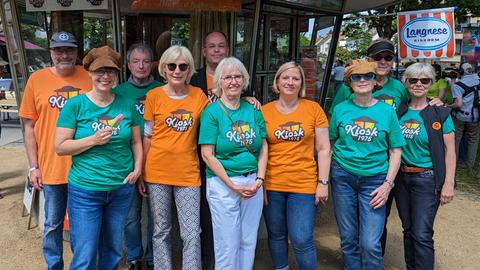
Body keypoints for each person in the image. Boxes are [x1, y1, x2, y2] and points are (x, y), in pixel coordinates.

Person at [55, 45, 143, 269]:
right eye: (100, 71)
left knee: (113, 249)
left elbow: (135, 141)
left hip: (120, 188)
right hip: (86, 190)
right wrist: (93, 140)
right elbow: (60, 147)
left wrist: (138, 169)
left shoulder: (126, 104)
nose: (106, 76)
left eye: (111, 71)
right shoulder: (75, 106)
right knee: (85, 251)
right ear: (90, 73)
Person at [18, 31, 91, 270]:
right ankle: (54, 266)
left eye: (69, 49)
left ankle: (80, 265)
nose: (64, 55)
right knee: (52, 224)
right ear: (51, 52)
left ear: (76, 52)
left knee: (82, 226)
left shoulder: (89, 77)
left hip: (84, 167)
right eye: (59, 50)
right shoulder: (36, 80)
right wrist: (33, 166)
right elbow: (29, 127)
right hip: (51, 168)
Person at [190, 30, 260, 270]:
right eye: (228, 77)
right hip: (217, 175)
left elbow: (263, 146)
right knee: (225, 241)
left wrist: (259, 179)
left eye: (237, 77)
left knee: (247, 240)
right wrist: (231, 184)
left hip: (251, 181)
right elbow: (206, 152)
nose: (233, 81)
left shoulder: (251, 106)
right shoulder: (199, 89)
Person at [329, 59, 405, 269]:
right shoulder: (341, 109)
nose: (362, 80)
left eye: (368, 76)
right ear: (349, 82)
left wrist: (387, 185)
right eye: (356, 77)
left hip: (375, 181)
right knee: (348, 238)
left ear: (374, 82)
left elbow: (396, 150)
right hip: (343, 177)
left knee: (370, 243)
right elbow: (332, 141)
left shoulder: (387, 111)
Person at [141, 45, 208, 270]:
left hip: (188, 173)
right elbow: (147, 137)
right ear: (164, 68)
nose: (177, 70)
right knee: (161, 230)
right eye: (172, 65)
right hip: (157, 172)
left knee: (191, 232)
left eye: (182, 66)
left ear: (189, 70)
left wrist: (247, 100)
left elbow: (220, 113)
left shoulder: (199, 96)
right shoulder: (153, 96)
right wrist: (141, 172)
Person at [262, 62, 330, 270]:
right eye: (285, 78)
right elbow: (260, 150)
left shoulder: (313, 109)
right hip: (272, 185)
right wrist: (260, 181)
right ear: (277, 81)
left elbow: (324, 149)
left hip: (303, 185)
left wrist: (323, 183)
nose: (290, 82)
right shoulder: (263, 112)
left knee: (301, 238)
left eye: (295, 78)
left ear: (301, 83)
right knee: (276, 234)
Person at [395, 63, 455, 270]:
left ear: (431, 83)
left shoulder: (440, 113)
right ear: (406, 83)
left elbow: (450, 151)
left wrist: (448, 184)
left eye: (425, 80)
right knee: (408, 229)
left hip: (427, 180)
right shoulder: (399, 111)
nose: (419, 84)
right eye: (413, 80)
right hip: (401, 179)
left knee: (421, 233)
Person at [113, 42, 162, 270]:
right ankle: (134, 256)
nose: (141, 66)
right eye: (136, 61)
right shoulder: (118, 92)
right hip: (127, 164)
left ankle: (153, 258)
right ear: (128, 65)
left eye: (145, 61)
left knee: (156, 218)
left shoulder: (163, 88)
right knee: (131, 217)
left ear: (152, 63)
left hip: (157, 163)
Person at [451, 62, 480, 176]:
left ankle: (454, 164)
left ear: (461, 71)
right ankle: (470, 166)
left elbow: (458, 104)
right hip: (476, 117)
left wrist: (449, 106)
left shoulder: (458, 85)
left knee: (456, 140)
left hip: (461, 116)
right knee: (473, 141)